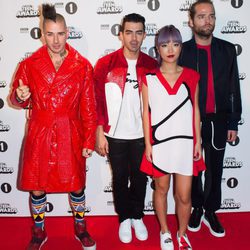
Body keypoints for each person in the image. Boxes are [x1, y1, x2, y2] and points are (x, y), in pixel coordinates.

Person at [10, 4, 97, 250]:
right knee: (37, 186)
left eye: (60, 33)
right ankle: (39, 232)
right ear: (42, 35)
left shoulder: (82, 65)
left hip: (70, 131)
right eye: (50, 34)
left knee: (77, 184)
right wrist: (19, 95)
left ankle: (81, 228)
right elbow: (18, 99)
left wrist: (89, 139)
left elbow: (89, 107)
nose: (56, 40)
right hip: (40, 131)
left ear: (67, 33)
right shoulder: (29, 64)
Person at [179, 0, 242, 238]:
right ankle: (196, 207)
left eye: (211, 16)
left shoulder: (226, 49)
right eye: (202, 16)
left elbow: (234, 86)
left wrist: (234, 121)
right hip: (189, 123)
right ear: (191, 21)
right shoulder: (182, 51)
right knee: (194, 169)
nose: (208, 20)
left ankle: (211, 210)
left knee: (215, 169)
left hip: (218, 121)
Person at [93, 13, 157, 244]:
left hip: (142, 135)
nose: (133, 37)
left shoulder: (152, 65)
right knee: (119, 178)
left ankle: (137, 215)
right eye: (128, 32)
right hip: (115, 135)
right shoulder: (105, 64)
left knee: (140, 179)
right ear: (121, 34)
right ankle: (124, 219)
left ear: (144, 35)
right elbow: (97, 100)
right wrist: (100, 132)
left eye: (138, 32)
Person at [140, 25, 205, 250]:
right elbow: (145, 114)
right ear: (158, 48)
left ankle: (183, 233)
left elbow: (196, 109)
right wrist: (148, 144)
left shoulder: (192, 76)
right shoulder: (148, 77)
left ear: (180, 47)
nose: (170, 49)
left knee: (184, 196)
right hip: (160, 144)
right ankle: (165, 231)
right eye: (165, 44)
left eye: (176, 44)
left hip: (185, 143)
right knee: (161, 189)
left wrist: (198, 141)